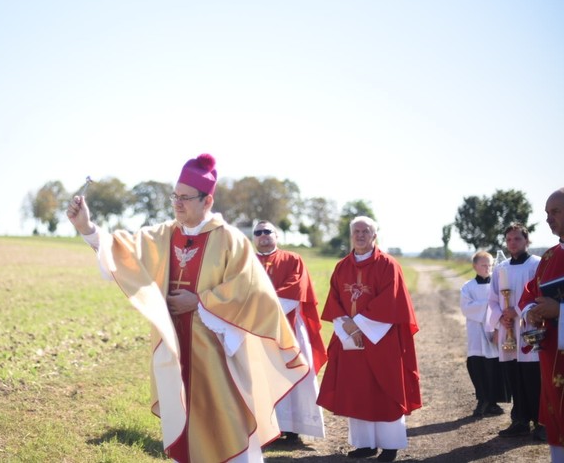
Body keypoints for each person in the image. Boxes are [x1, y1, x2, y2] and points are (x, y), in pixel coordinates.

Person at [66, 153, 310, 463]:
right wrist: (87, 227)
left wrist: (200, 301)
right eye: (174, 196)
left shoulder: (230, 240)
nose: (177, 204)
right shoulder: (165, 234)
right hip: (177, 348)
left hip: (218, 354)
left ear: (207, 201)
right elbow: (122, 247)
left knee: (226, 422)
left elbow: (251, 290)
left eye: (185, 198)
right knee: (186, 424)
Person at [317, 216, 421, 463]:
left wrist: (359, 324)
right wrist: (347, 328)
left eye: (366, 231)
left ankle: (390, 445)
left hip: (381, 339)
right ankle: (364, 444)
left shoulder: (388, 265)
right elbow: (334, 300)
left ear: (375, 235)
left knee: (385, 387)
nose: (361, 235)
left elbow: (391, 302)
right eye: (356, 231)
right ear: (351, 235)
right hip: (351, 341)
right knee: (358, 389)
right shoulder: (342, 266)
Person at [252, 220, 327, 445]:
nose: (263, 235)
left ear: (276, 235)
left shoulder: (293, 259)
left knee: (291, 374)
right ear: (254, 238)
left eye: (268, 231)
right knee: (261, 378)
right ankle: (265, 427)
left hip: (288, 327)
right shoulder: (247, 262)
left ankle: (293, 428)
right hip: (256, 330)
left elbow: (295, 287)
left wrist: (266, 312)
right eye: (258, 232)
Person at [520, 188, 564, 462]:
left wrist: (558, 309)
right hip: (552, 357)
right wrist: (530, 313)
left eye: (555, 212)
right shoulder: (548, 258)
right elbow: (529, 294)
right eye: (547, 213)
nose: (549, 219)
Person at [486, 223, 542, 439]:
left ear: (526, 240)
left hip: (529, 326)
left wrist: (516, 311)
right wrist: (501, 317)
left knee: (533, 377)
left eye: (517, 239)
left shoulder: (537, 265)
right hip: (508, 330)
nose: (512, 243)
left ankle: (540, 422)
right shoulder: (501, 268)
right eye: (508, 240)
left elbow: (538, 293)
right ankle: (519, 420)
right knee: (514, 376)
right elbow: (492, 299)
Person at [459, 251, 509, 418]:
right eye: (483, 265)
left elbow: (502, 305)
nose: (488, 268)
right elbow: (466, 308)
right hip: (476, 332)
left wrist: (495, 326)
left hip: (495, 329)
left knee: (494, 366)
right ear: (475, 266)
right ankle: (482, 400)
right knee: (478, 365)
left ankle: (493, 402)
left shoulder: (497, 285)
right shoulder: (468, 287)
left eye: (490, 265)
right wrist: (489, 306)